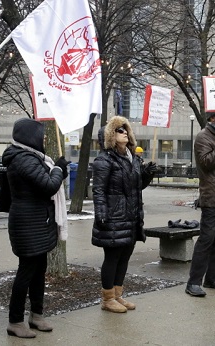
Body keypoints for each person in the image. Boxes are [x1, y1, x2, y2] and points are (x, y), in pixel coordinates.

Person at [1, 118, 68, 337]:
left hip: (38, 222)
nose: (45, 138)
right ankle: (15, 320)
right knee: (27, 271)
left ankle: (36, 315)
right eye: (42, 135)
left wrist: (59, 172)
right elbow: (47, 185)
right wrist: (57, 169)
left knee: (39, 271)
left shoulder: (31, 158)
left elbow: (44, 184)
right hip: (28, 224)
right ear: (30, 137)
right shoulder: (23, 159)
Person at [92, 116, 156, 310]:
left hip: (132, 216)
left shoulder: (132, 158)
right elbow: (99, 190)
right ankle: (107, 299)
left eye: (126, 129)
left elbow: (137, 187)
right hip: (113, 216)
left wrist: (147, 174)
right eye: (120, 130)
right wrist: (101, 213)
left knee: (125, 256)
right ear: (111, 135)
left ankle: (117, 295)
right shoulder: (104, 160)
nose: (125, 133)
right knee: (112, 258)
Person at [185, 111, 215, 297]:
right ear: (212, 117)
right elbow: (206, 163)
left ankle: (212, 278)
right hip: (213, 198)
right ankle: (193, 283)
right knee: (206, 240)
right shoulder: (203, 137)